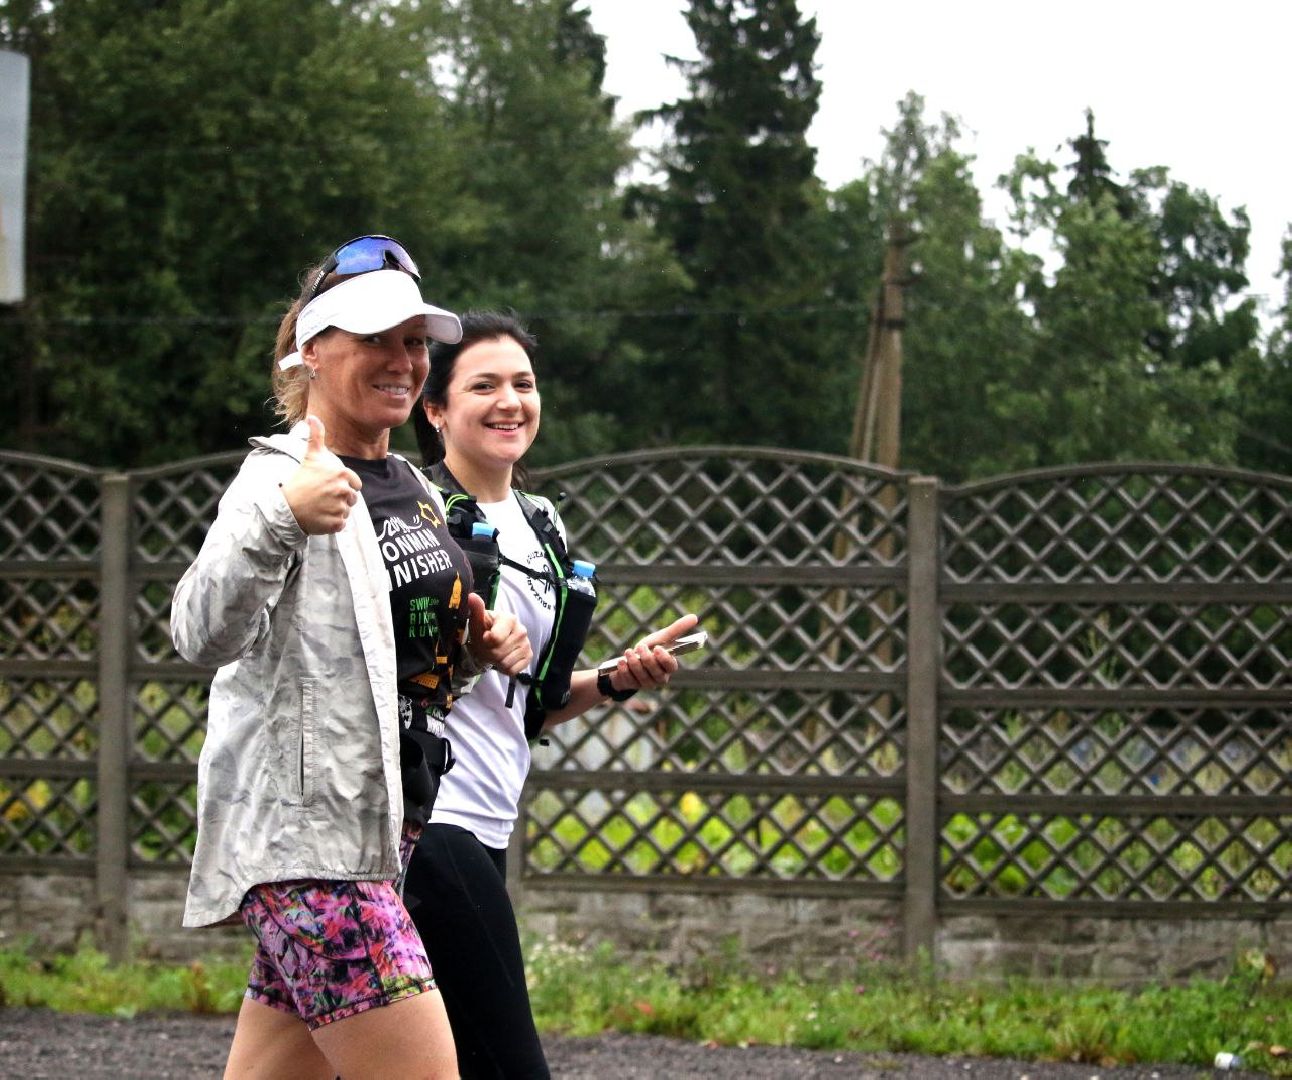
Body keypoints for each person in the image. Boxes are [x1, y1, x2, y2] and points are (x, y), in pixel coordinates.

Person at [171, 238, 531, 1080]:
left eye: (414, 341)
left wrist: (475, 652)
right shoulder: (279, 479)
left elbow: (401, 668)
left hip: (382, 834)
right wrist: (284, 519)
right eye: (377, 339)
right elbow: (197, 632)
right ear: (312, 347)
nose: (403, 360)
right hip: (308, 850)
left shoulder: (409, 483)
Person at [405, 310, 699, 1078]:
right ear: (434, 410)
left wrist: (612, 679)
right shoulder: (416, 523)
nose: (511, 401)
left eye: (524, 383)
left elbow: (524, 706)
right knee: (508, 1064)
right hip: (433, 824)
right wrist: (467, 648)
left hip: (489, 826)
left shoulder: (542, 526)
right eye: (484, 385)